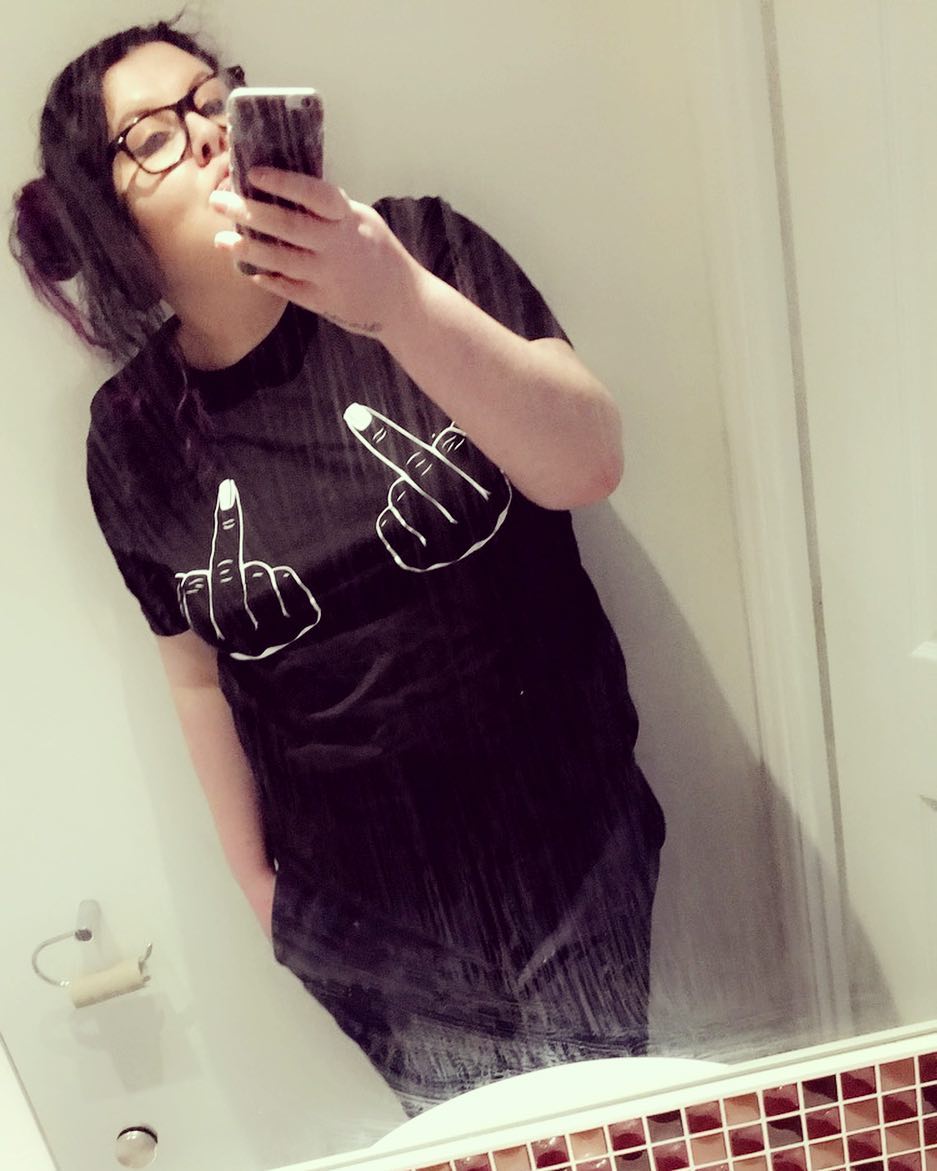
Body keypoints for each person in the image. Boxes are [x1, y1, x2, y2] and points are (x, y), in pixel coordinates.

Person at [11, 17, 666, 1115]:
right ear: (103, 213)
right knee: (470, 1146)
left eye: (213, 98)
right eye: (151, 137)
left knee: (595, 1136)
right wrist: (259, 890)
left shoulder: (421, 250)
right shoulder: (131, 434)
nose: (207, 133)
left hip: (568, 845)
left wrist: (394, 302)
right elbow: (194, 670)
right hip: (361, 917)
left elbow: (587, 464)